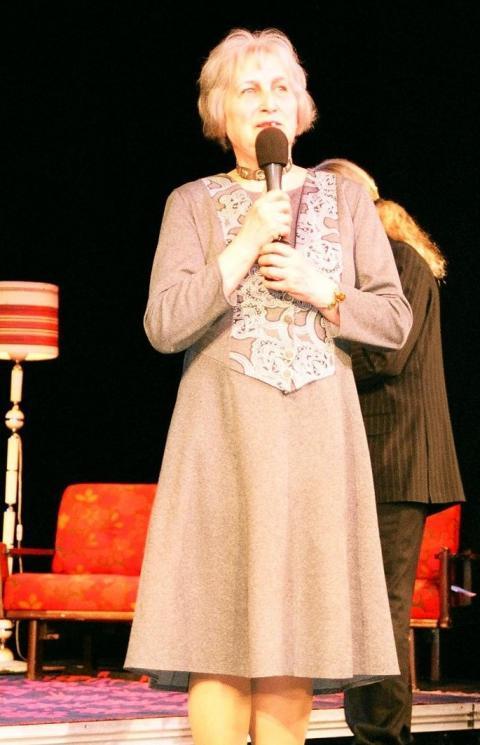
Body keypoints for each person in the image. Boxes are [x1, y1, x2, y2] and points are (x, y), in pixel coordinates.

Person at [125, 29, 413, 745]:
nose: (267, 102)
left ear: (301, 108)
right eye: (249, 90)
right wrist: (245, 242)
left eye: (281, 88)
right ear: (220, 112)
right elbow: (164, 324)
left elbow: (395, 320)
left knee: (296, 633)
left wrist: (324, 289)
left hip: (315, 443)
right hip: (221, 439)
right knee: (218, 629)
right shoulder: (191, 203)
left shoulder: (347, 201)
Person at [318, 158, 465, 745]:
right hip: (378, 457)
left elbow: (384, 355)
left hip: (394, 457)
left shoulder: (397, 262)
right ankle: (374, 731)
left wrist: (312, 359)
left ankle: (381, 736)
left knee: (376, 608)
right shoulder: (383, 263)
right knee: (365, 606)